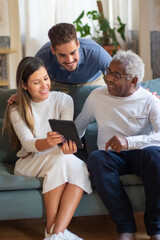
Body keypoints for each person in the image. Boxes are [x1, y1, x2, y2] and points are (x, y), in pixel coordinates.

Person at [3, 56, 92, 240]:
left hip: (58, 156)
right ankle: (53, 232)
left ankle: (55, 234)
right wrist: (47, 142)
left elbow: (67, 137)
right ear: (24, 85)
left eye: (45, 78)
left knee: (79, 166)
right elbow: (28, 143)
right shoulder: (16, 108)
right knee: (61, 159)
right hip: (30, 161)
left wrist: (69, 147)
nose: (44, 85)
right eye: (36, 82)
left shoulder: (64, 100)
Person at [75, 50, 160, 240]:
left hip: (140, 153)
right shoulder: (96, 97)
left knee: (156, 156)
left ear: (134, 81)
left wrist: (129, 141)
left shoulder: (150, 100)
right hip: (110, 155)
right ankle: (126, 227)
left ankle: (155, 228)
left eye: (117, 75)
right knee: (96, 158)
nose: (108, 78)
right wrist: (64, 139)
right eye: (108, 72)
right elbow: (79, 127)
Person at [35, 22, 112, 89]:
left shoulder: (95, 52)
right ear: (53, 50)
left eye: (73, 53)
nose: (69, 60)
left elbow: (117, 74)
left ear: (78, 44)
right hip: (59, 84)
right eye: (62, 55)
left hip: (92, 82)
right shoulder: (42, 56)